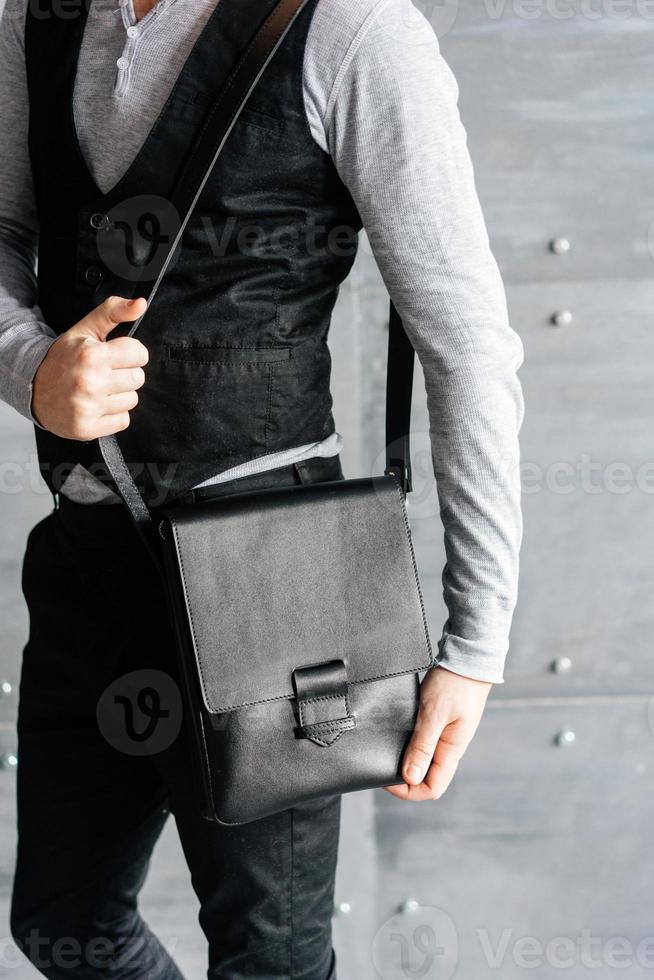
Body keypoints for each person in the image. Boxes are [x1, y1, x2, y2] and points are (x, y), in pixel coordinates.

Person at [0, 0, 524, 976]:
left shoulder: (355, 29)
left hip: (275, 584)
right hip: (89, 558)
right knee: (63, 920)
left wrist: (478, 635)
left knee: (270, 959)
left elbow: (469, 344)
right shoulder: (36, 19)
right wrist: (29, 365)